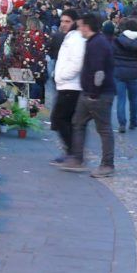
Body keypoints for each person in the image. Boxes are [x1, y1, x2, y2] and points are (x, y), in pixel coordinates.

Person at [59, 13, 116, 178]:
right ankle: (77, 158)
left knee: (103, 129)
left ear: (86, 27)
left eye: (80, 26)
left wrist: (94, 93)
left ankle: (107, 164)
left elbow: (99, 72)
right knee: (78, 123)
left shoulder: (97, 44)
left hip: (98, 94)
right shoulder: (93, 42)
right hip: (89, 93)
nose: (78, 29)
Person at [50, 10, 84, 164]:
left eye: (67, 21)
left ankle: (73, 152)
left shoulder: (76, 38)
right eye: (62, 21)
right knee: (64, 120)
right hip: (66, 85)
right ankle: (71, 152)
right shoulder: (69, 37)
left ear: (75, 22)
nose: (63, 24)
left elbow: (77, 62)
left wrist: (62, 76)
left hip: (71, 86)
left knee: (60, 119)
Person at [112, 19, 137, 132]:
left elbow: (112, 55)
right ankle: (133, 121)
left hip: (119, 73)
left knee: (121, 99)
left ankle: (122, 124)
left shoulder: (117, 41)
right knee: (133, 99)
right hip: (134, 73)